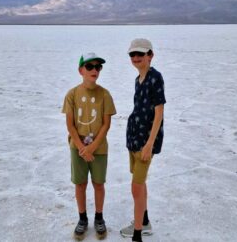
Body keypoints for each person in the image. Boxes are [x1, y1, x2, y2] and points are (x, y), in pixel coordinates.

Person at [62, 52, 116, 240]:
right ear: (81, 70)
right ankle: (82, 219)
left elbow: (106, 124)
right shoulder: (72, 94)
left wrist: (92, 148)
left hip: (99, 148)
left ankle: (99, 218)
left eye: (98, 67)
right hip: (77, 148)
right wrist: (81, 147)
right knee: (80, 184)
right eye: (90, 66)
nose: (94, 70)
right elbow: (70, 124)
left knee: (98, 183)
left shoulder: (105, 94)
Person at [120, 39, 166, 242]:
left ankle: (137, 234)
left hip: (146, 142)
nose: (136, 58)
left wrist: (149, 144)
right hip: (134, 138)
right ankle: (144, 221)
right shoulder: (138, 78)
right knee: (140, 183)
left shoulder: (155, 78)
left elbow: (159, 112)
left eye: (140, 54)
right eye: (132, 55)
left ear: (150, 55)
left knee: (136, 187)